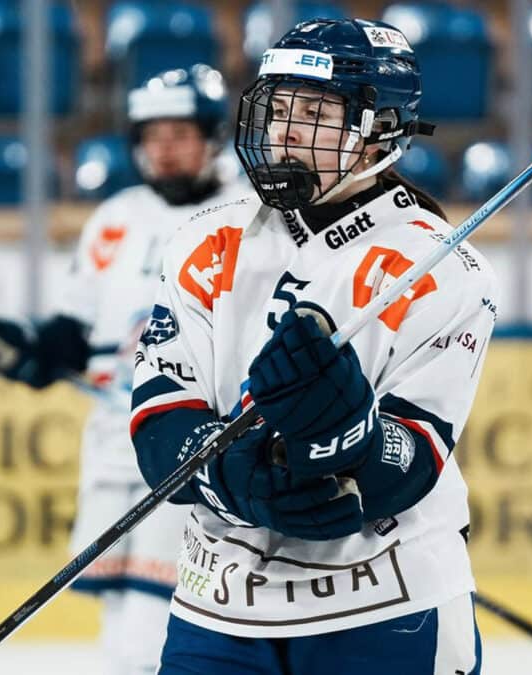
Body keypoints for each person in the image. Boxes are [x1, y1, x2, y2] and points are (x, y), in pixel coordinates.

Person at [130, 19, 499, 675]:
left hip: (387, 608)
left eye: (317, 112)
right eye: (278, 108)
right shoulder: (203, 242)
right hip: (218, 610)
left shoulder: (441, 267)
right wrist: (224, 476)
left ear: (381, 127)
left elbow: (412, 455)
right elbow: (160, 414)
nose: (286, 131)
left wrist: (349, 437)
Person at [0, 64, 248, 674]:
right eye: (151, 135)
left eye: (180, 133)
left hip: (195, 446)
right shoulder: (117, 217)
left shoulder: (250, 215)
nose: (164, 149)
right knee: (121, 619)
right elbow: (74, 334)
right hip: (116, 446)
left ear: (214, 136)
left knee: (154, 630)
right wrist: (22, 349)